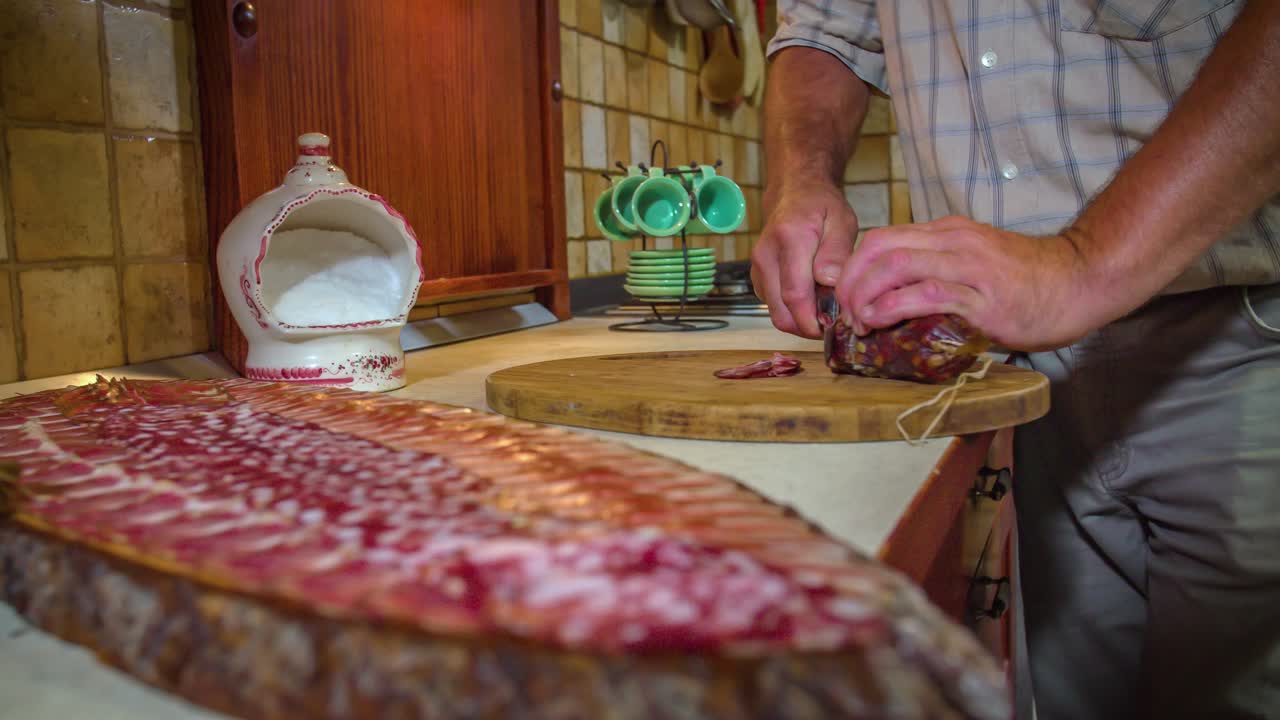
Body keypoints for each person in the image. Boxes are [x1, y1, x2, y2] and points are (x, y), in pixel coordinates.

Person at [754, 1, 1280, 718]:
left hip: (1239, 342)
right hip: (1012, 379)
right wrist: (801, 180)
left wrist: (1083, 264)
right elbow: (823, 30)